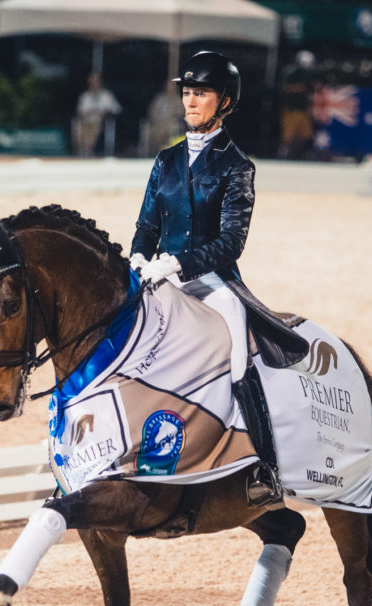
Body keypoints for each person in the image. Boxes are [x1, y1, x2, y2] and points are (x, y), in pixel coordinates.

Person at [130, 51, 309, 507]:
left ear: (224, 101)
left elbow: (231, 242)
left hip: (212, 282)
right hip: (160, 276)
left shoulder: (237, 167)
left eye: (201, 93)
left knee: (235, 347)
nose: (190, 101)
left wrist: (177, 264)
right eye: (187, 92)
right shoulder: (166, 160)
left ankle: (262, 465)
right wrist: (137, 256)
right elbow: (148, 225)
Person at [73, 73, 121, 157]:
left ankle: (88, 150)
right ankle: (82, 150)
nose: (94, 84)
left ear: (100, 82)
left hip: (100, 122)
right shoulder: (85, 96)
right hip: (85, 121)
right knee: (78, 127)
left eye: (96, 81)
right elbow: (80, 111)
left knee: (94, 127)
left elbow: (117, 109)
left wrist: (105, 113)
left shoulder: (107, 95)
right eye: (91, 82)